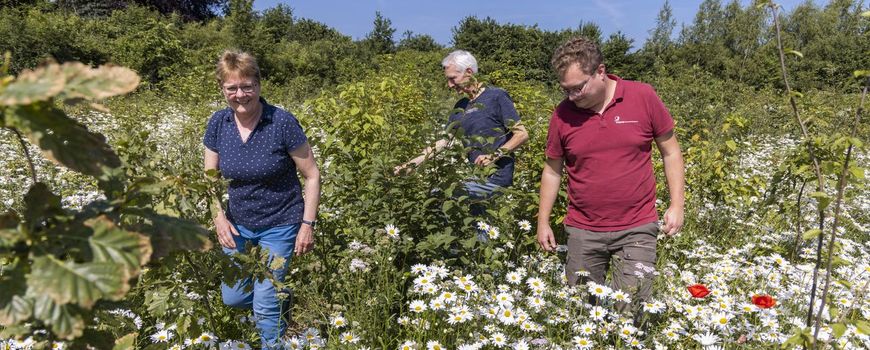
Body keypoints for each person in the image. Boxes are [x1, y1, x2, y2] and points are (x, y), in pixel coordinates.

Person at [536, 37, 685, 312]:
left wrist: (677, 206)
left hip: (637, 227)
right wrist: (543, 221)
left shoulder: (642, 96)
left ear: (600, 71)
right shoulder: (562, 114)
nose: (572, 97)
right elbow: (552, 169)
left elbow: (671, 152)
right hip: (583, 230)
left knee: (630, 312)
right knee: (580, 313)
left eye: (578, 88)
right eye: (565, 90)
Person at [203, 50, 321, 348]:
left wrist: (307, 224)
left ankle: (273, 336)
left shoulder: (280, 122)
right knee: (233, 297)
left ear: (259, 85)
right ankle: (283, 297)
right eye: (232, 88)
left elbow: (312, 175)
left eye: (247, 86)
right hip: (237, 224)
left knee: (265, 305)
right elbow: (209, 179)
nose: (240, 94)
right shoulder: (218, 123)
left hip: (280, 222)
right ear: (222, 89)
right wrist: (218, 217)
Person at [395, 50, 528, 218]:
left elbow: (521, 134)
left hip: (495, 177)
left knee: (441, 195)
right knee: (479, 226)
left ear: (469, 73)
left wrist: (493, 156)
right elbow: (444, 142)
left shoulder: (496, 96)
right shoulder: (461, 105)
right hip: (475, 176)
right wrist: (410, 165)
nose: (450, 85)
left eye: (453, 78)